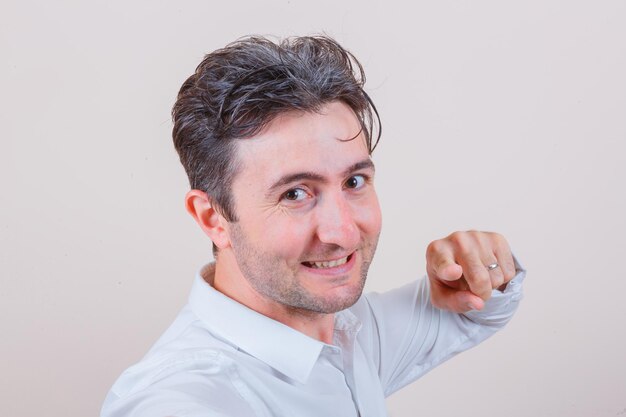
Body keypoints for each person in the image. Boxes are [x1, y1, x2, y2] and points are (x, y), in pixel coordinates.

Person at [101, 35, 525, 417]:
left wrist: (477, 265)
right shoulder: (185, 398)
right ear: (213, 218)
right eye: (294, 194)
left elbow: (478, 312)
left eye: (353, 182)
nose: (341, 232)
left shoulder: (348, 331)